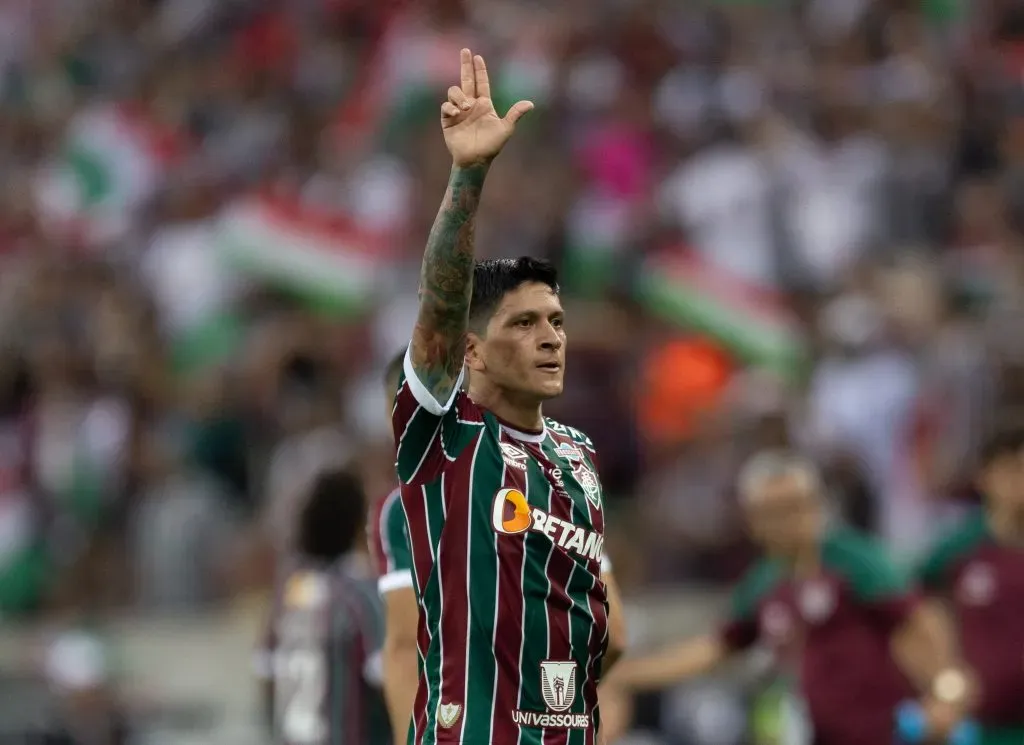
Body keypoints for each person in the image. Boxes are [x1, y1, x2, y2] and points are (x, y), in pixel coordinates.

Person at [390, 48, 626, 744]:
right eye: (523, 323)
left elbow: (600, 627)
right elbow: (439, 304)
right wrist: (468, 175)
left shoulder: (578, 455)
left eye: (555, 320)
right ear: (472, 351)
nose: (550, 336)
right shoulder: (446, 433)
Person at [606, 451, 972, 745]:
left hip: (886, 732)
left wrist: (945, 692)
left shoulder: (853, 560)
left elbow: (921, 619)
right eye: (774, 511)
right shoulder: (765, 583)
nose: (789, 520)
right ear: (753, 520)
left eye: (797, 505)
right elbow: (715, 648)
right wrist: (624, 674)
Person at [257, 469, 391, 745]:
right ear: (357, 525)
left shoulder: (289, 593)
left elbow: (265, 673)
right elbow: (388, 679)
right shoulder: (358, 597)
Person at [915, 426, 1024, 745]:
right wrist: (943, 676)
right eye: (1013, 470)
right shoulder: (956, 553)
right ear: (985, 477)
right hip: (981, 725)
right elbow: (918, 618)